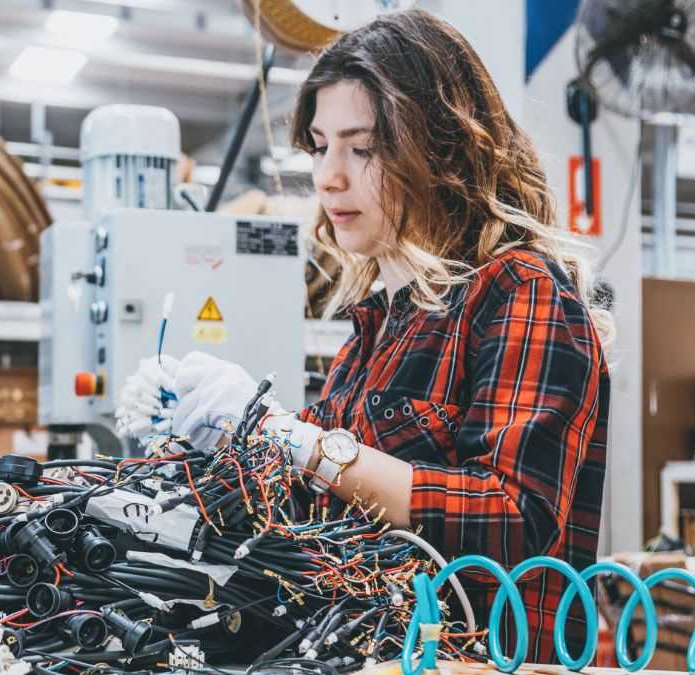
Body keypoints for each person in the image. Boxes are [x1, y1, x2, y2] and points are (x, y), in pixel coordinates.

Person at [116, 9, 610, 664]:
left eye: (363, 147)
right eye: (320, 145)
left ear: (441, 146)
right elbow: (307, 515)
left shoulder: (521, 293)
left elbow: (512, 521)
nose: (328, 176)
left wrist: (288, 435)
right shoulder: (378, 330)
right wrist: (209, 446)